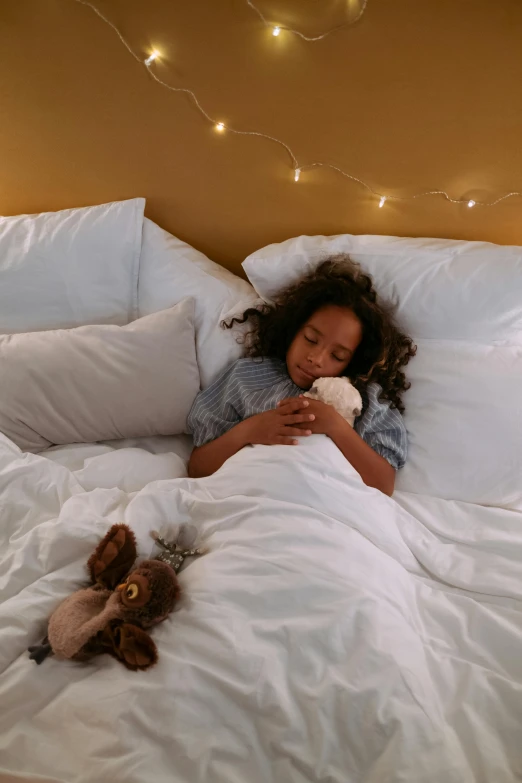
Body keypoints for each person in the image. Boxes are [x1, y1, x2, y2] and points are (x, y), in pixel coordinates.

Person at [187, 256, 416, 496]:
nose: (316, 359)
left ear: (353, 361)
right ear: (294, 328)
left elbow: (383, 485)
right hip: (251, 497)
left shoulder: (361, 400)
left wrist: (335, 426)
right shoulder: (246, 377)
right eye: (310, 340)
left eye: (337, 356)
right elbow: (197, 468)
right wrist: (249, 430)